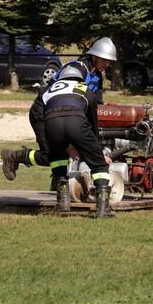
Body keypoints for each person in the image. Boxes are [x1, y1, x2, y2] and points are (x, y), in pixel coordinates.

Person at [1, 37, 117, 185]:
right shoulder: (76, 67)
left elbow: (95, 105)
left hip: (68, 114)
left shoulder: (97, 77)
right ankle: (14, 156)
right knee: (51, 155)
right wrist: (70, 147)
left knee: (60, 155)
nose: (107, 64)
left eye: (109, 61)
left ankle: (59, 187)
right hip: (44, 110)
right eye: (104, 60)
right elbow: (63, 96)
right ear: (94, 56)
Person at [41, 63, 113, 218]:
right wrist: (96, 150)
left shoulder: (49, 89)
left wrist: (47, 140)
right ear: (80, 79)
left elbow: (37, 113)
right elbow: (92, 122)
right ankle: (103, 209)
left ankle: (63, 202)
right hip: (77, 122)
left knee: (58, 158)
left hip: (51, 124)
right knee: (100, 165)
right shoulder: (84, 89)